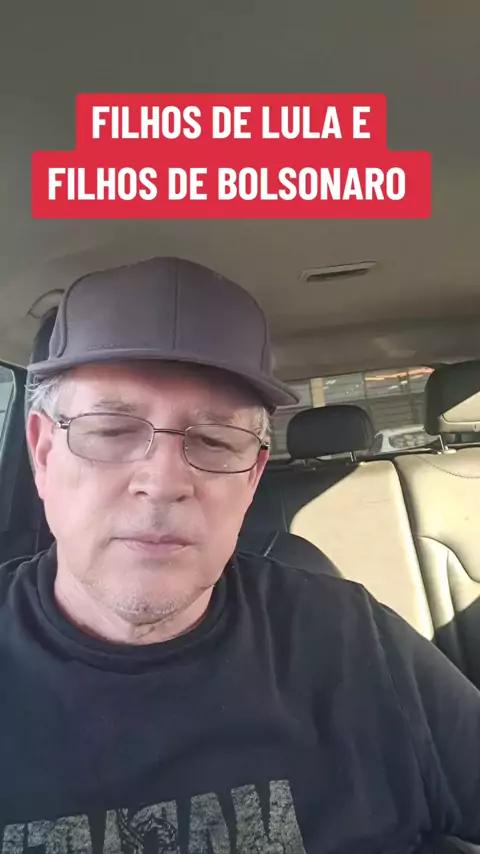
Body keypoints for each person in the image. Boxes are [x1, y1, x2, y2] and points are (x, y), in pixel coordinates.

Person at [1, 256, 480, 854]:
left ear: (253, 476)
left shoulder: (352, 642)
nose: (163, 482)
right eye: (111, 430)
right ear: (43, 453)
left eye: (214, 439)